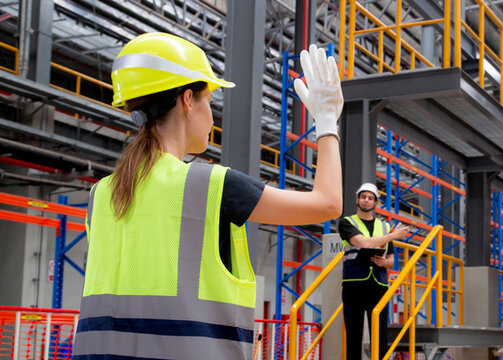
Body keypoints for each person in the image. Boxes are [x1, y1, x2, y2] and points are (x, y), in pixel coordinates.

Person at [72, 32, 343, 360]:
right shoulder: (210, 185)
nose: (212, 117)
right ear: (188, 100)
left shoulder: (101, 194)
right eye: (209, 101)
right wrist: (327, 122)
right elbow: (328, 203)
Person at [339, 183, 410, 360]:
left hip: (378, 285)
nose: (366, 200)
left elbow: (392, 261)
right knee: (353, 334)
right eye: (363, 197)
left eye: (371, 198)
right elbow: (363, 243)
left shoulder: (385, 227)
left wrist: (384, 262)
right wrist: (394, 235)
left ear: (375, 203)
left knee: (380, 336)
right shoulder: (347, 222)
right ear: (357, 200)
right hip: (353, 285)